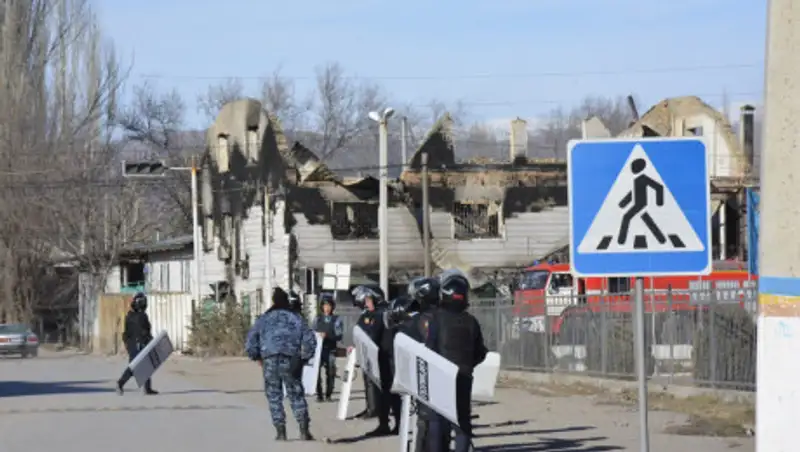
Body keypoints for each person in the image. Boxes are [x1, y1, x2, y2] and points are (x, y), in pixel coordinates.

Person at [426, 270, 488, 452]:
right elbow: (481, 352)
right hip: (464, 376)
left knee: (438, 421)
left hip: (440, 376)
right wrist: (467, 365)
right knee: (462, 422)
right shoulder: (471, 321)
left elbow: (429, 348)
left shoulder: (436, 318)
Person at [245, 287, 318, 441]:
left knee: (274, 395)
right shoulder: (296, 318)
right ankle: (304, 430)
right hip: (291, 359)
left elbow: (250, 341)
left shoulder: (264, 319)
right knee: (296, 394)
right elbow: (310, 340)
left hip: (269, 359)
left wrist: (257, 356)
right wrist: (304, 358)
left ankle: (280, 432)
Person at [351, 285, 386, 420]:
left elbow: (374, 333)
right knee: (367, 381)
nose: (366, 303)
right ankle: (370, 406)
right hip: (366, 352)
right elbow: (360, 330)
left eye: (368, 300)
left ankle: (375, 409)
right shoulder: (366, 314)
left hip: (379, 353)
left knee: (374, 382)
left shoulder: (381, 313)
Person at [116, 292, 157, 395]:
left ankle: (147, 388)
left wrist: (128, 344)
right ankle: (120, 383)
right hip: (139, 344)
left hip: (132, 345)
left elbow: (127, 333)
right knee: (135, 367)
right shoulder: (141, 316)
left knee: (144, 365)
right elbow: (143, 331)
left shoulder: (129, 315)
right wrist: (149, 339)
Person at [313, 293, 343, 402]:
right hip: (319, 350)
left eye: (329, 305)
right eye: (325, 305)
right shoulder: (317, 319)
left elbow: (339, 335)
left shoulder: (336, 319)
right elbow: (312, 333)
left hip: (330, 350)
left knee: (330, 372)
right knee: (316, 373)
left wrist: (328, 335)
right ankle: (319, 394)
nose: (327, 308)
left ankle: (329, 394)